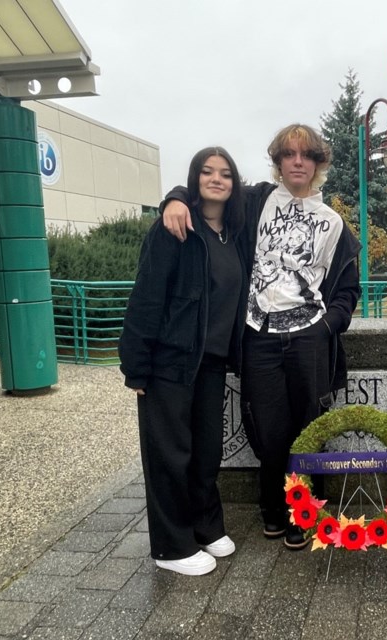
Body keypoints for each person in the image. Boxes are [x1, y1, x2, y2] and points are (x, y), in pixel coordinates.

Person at [161, 124, 361, 551]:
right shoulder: (255, 202)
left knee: (310, 428)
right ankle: (273, 506)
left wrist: (326, 327)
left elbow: (348, 291)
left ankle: (304, 512)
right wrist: (174, 197)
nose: (297, 162)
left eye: (306, 155)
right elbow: (210, 189)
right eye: (289, 155)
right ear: (279, 161)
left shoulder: (334, 224)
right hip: (257, 336)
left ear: (318, 163)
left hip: (309, 336)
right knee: (268, 431)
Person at [119, 147, 250, 576]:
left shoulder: (233, 232)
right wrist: (135, 366)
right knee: (169, 456)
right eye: (207, 172)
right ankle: (171, 547)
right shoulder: (174, 227)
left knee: (205, 453)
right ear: (194, 179)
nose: (217, 179)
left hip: (210, 364)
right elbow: (147, 295)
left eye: (226, 174)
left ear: (234, 184)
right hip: (169, 363)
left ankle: (206, 527)